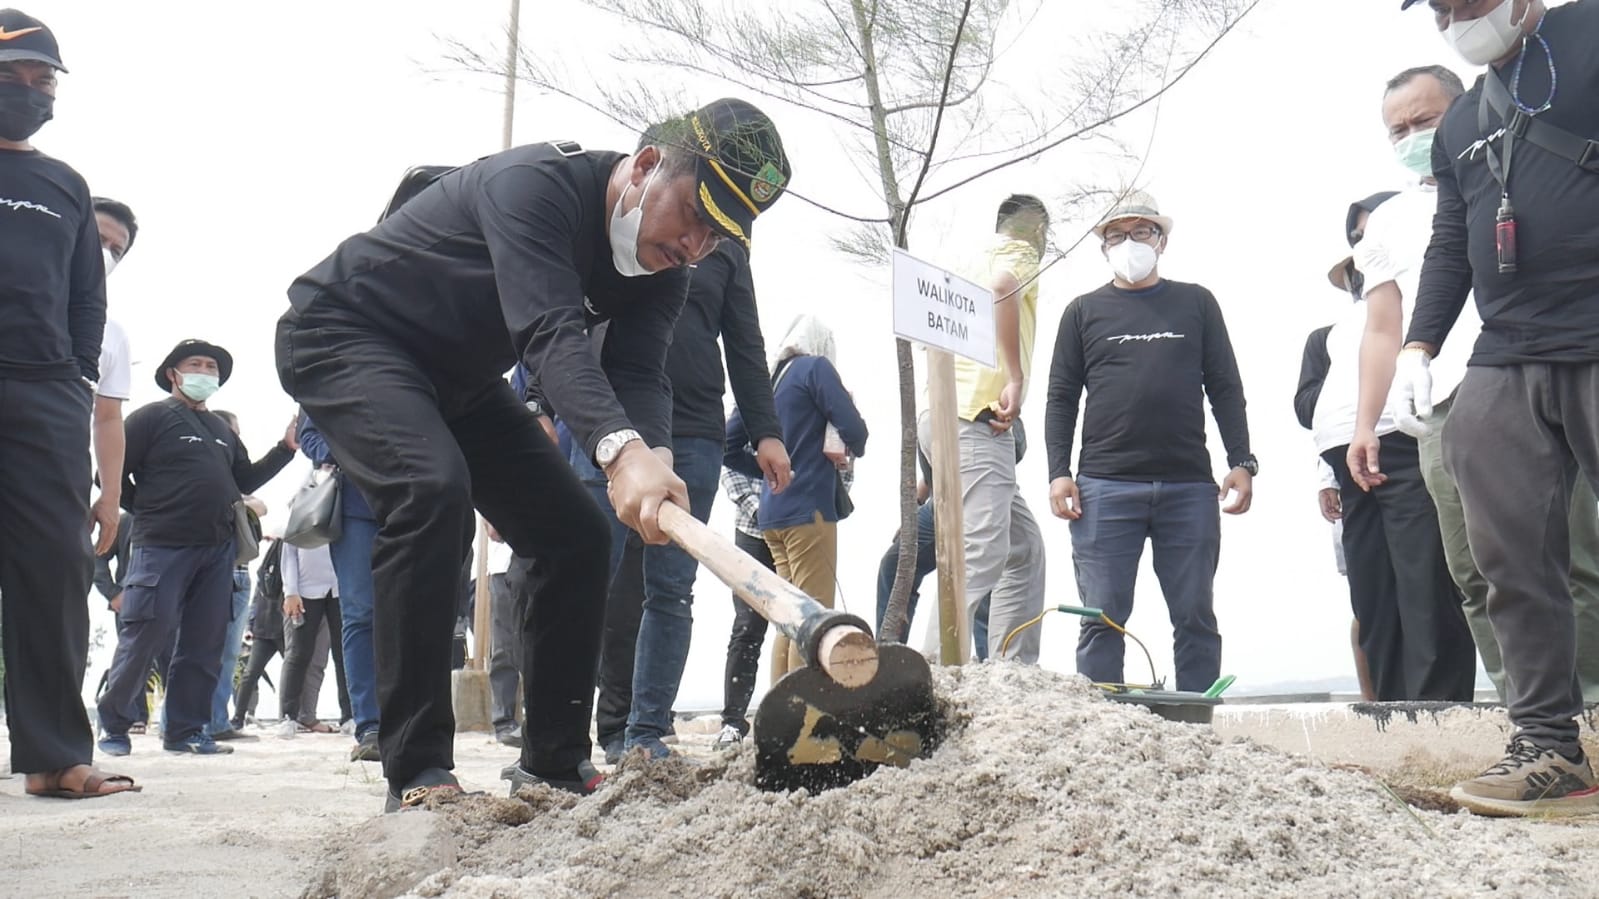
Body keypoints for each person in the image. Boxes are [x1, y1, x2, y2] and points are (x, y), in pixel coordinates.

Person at [274, 99, 791, 810]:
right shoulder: (536, 184)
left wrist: (655, 463)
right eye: (695, 215)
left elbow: (640, 372)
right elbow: (550, 333)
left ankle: (552, 762)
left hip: (457, 378)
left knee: (575, 534)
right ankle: (419, 770)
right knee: (431, 490)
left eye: (719, 235)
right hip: (348, 334)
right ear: (644, 166)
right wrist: (618, 452)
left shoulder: (664, 270)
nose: (697, 245)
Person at [1368, 0, 1599, 817]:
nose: (1456, 14)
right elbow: (1448, 237)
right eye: (1441, 8)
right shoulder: (1466, 113)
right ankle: (1548, 748)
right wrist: (1418, 347)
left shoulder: (1588, 32)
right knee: (1506, 554)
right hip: (1506, 349)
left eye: (1468, 0)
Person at [577, 235, 788, 762]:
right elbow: (568, 320)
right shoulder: (630, 226)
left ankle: (645, 734)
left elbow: (745, 343)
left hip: (692, 430)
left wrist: (766, 430)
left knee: (670, 588)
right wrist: (538, 398)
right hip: (611, 426)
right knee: (582, 580)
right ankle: (560, 736)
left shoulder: (727, 252)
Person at [0, 8, 135, 799]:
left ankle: (54, 757)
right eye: (11, 76)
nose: (27, 90)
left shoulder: (65, 184)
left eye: (40, 79)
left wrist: (74, 376)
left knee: (55, 568)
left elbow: (88, 295)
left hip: (45, 393)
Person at [1045, 191, 1255, 693]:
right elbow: (1060, 397)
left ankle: (1199, 726)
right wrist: (1059, 472)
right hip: (1104, 488)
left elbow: (1225, 385)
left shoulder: (1197, 302)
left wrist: (1242, 460)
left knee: (1195, 616)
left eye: (1141, 232)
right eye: (1116, 235)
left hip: (1188, 488)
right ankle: (1104, 729)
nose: (1129, 243)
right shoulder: (1082, 312)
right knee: (1102, 617)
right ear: (1103, 248)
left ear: (1162, 240)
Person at [1312, 191, 1477, 702]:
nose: (1367, 244)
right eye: (1358, 237)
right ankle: (1387, 706)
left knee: (1424, 584)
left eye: (1373, 231)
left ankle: (1438, 706)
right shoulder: (1339, 328)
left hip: (1404, 442)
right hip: (1348, 454)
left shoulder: (1430, 297)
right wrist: (1324, 471)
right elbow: (1322, 398)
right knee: (1373, 594)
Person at [98, 339, 296, 756]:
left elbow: (243, 479)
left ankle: (186, 731)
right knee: (145, 633)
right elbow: (110, 476)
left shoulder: (222, 430)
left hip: (217, 550)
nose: (205, 372)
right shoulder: (150, 418)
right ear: (173, 373)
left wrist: (286, 449)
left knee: (204, 642)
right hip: (161, 546)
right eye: (195, 364)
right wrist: (147, 509)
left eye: (211, 367)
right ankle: (114, 726)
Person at [921, 194, 1050, 663]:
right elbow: (1003, 288)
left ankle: (1011, 668)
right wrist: (1014, 374)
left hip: (940, 415)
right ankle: (933, 665)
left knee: (1023, 547)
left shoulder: (963, 259)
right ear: (1037, 229)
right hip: (979, 417)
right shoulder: (1018, 251)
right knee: (981, 547)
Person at [728, 315, 867, 681]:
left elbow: (727, 445)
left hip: (772, 516)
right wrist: (854, 444)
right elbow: (855, 428)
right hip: (810, 510)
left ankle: (780, 712)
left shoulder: (769, 381)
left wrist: (774, 472)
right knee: (814, 620)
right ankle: (802, 719)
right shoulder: (815, 369)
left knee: (789, 619)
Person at [1294, 321, 1376, 703]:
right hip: (1343, 468)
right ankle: (1370, 696)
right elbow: (1313, 410)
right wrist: (1325, 478)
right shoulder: (1327, 338)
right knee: (1363, 594)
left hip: (1406, 458)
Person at [299, 413, 383, 761]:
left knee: (415, 614)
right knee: (361, 613)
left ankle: (414, 720)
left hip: (418, 499)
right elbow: (310, 435)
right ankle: (370, 725)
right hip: (356, 508)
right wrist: (347, 453)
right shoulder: (323, 363)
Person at [207, 410, 266, 742]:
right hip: (215, 571)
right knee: (205, 651)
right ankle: (199, 722)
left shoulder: (234, 480)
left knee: (228, 654)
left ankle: (217, 720)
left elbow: (259, 505)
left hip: (240, 572)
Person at [90, 196, 136, 558]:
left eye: (116, 250)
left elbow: (108, 417)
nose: (104, 253)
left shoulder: (112, 334)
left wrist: (110, 496)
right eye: (96, 238)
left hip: (56, 476)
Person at [276, 541, 344, 738]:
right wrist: (290, 591)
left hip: (339, 586)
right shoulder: (297, 510)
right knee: (298, 653)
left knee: (344, 654)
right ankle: (288, 716)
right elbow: (289, 553)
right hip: (306, 589)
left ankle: (350, 715)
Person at [233, 538, 287, 731]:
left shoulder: (281, 566)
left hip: (277, 626)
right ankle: (239, 716)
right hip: (265, 628)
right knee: (251, 674)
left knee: (289, 673)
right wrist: (249, 625)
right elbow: (256, 598)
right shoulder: (267, 570)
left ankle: (288, 716)